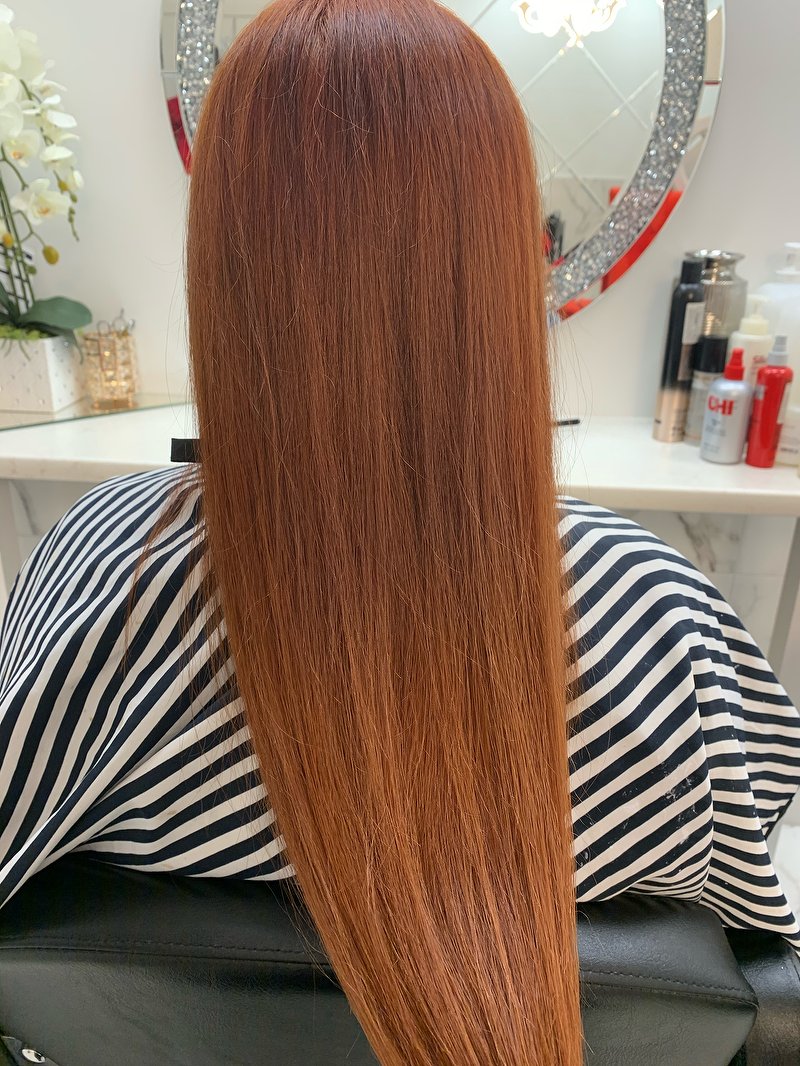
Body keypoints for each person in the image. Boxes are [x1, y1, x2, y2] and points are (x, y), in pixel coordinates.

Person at [1, 2, 798, 1063]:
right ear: (502, 261)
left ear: (225, 261)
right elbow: (755, 944)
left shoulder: (104, 580)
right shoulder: (657, 617)